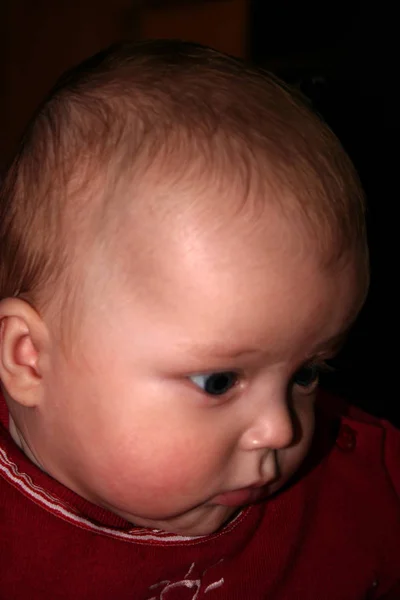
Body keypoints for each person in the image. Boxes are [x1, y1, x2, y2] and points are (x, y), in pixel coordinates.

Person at [0, 40, 398, 599]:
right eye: (219, 381)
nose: (280, 430)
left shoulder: (363, 487)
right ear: (31, 359)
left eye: (307, 373)